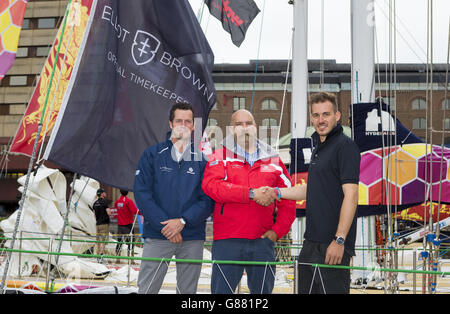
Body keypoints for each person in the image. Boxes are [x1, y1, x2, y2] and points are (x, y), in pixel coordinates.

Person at [201, 109, 296, 294]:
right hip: (228, 241)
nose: (244, 128)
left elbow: (289, 196)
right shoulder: (219, 156)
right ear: (230, 129)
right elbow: (212, 187)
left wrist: (277, 232)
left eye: (248, 123)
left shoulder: (274, 159)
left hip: (262, 242)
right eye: (239, 124)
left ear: (255, 127)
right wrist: (251, 194)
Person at [274, 92, 360, 294]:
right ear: (311, 118)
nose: (321, 120)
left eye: (326, 114)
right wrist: (277, 192)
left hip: (332, 245)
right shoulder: (319, 148)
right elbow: (311, 188)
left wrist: (339, 240)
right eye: (316, 115)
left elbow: (352, 195)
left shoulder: (345, 147)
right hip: (311, 242)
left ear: (337, 116)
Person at [134, 102, 213, 294]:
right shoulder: (152, 155)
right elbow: (142, 193)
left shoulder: (202, 161)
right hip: (158, 234)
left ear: (193, 126)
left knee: (187, 293)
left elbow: (207, 199)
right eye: (179, 121)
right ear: (170, 124)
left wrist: (183, 221)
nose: (183, 125)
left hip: (192, 237)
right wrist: (166, 226)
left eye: (188, 121)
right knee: (147, 290)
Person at [114, 190, 139, 263]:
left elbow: (116, 209)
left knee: (119, 242)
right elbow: (134, 211)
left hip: (120, 225)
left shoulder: (117, 202)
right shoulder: (128, 201)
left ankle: (117, 259)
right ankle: (131, 260)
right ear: (127, 192)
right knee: (131, 242)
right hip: (128, 225)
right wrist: (144, 212)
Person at [92, 188, 111, 263]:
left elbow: (94, 215)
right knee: (103, 241)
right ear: (102, 194)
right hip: (104, 224)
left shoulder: (95, 203)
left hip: (98, 224)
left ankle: (97, 256)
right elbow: (109, 212)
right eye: (104, 192)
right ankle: (101, 256)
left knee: (98, 241)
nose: (105, 193)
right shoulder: (104, 202)